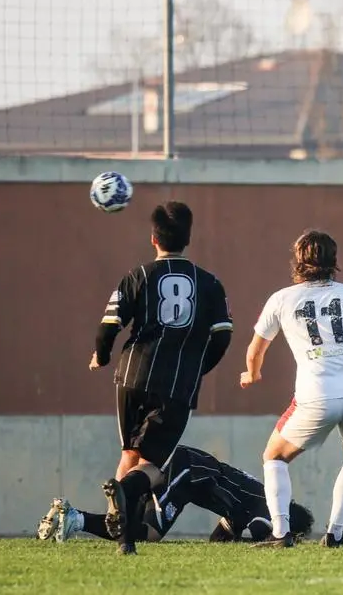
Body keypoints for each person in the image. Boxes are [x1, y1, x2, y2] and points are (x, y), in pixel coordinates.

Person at [90, 201, 233, 555]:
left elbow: (108, 327)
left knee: (129, 453)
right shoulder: (210, 283)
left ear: (154, 238)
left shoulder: (137, 275)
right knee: (153, 465)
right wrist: (199, 367)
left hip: (132, 376)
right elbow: (223, 335)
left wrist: (103, 356)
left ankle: (120, 528)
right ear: (189, 237)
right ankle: (126, 534)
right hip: (176, 384)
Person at [240, 230, 343, 548]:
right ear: (334, 261)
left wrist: (251, 374)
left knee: (274, 456)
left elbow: (255, 351)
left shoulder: (281, 299)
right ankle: (335, 534)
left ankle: (281, 534)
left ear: (297, 260)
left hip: (316, 394)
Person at [36, 445, 314, 544]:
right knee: (150, 532)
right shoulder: (269, 511)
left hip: (191, 469)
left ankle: (72, 518)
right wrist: (281, 539)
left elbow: (218, 539)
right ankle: (119, 493)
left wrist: (232, 532)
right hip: (193, 472)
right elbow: (259, 533)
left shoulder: (259, 499)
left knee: (135, 525)